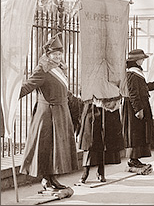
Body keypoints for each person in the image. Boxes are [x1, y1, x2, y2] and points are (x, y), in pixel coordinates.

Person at [19, 33, 78, 191]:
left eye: (60, 54)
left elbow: (62, 89)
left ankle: (53, 178)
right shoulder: (42, 69)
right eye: (55, 54)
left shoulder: (58, 69)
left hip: (60, 113)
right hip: (47, 114)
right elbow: (28, 86)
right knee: (46, 147)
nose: (58, 57)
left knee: (56, 149)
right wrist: (11, 95)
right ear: (48, 54)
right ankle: (45, 179)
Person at [121, 49, 154, 169]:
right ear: (136, 61)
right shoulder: (132, 74)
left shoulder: (137, 73)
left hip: (140, 105)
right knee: (135, 133)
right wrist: (138, 109)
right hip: (134, 107)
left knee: (139, 133)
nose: (143, 61)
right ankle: (133, 159)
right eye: (141, 59)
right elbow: (133, 93)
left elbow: (144, 87)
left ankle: (136, 158)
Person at [78, 98, 125, 183]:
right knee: (90, 141)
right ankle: (85, 171)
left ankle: (101, 171)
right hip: (92, 107)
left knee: (104, 141)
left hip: (108, 108)